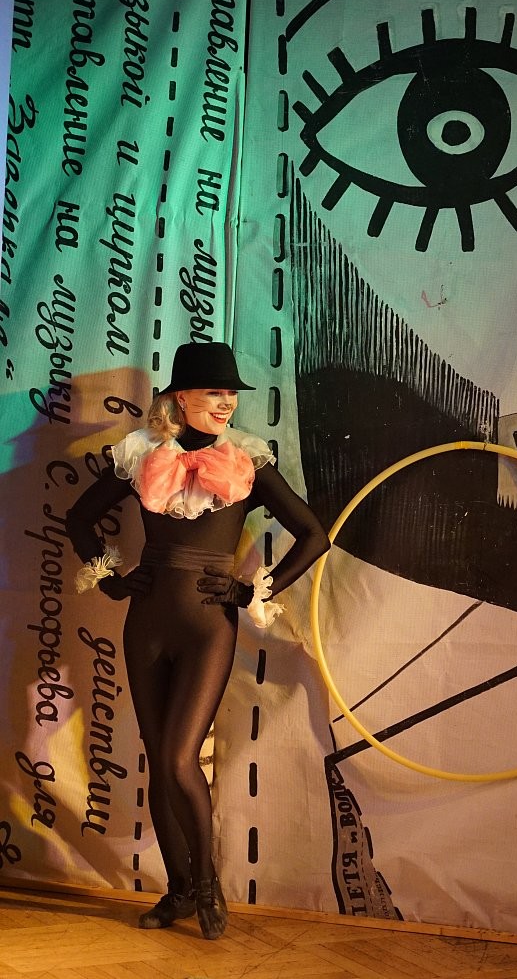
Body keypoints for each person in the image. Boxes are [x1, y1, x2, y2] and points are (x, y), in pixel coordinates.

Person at [65, 342, 330, 940]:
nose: (227, 401)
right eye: (215, 391)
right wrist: (111, 578)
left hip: (209, 628)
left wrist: (252, 590)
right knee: (159, 760)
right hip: (147, 623)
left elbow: (314, 535)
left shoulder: (247, 459)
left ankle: (207, 883)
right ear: (180, 397)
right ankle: (179, 891)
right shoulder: (140, 453)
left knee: (179, 757)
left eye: (231, 392)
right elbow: (78, 519)